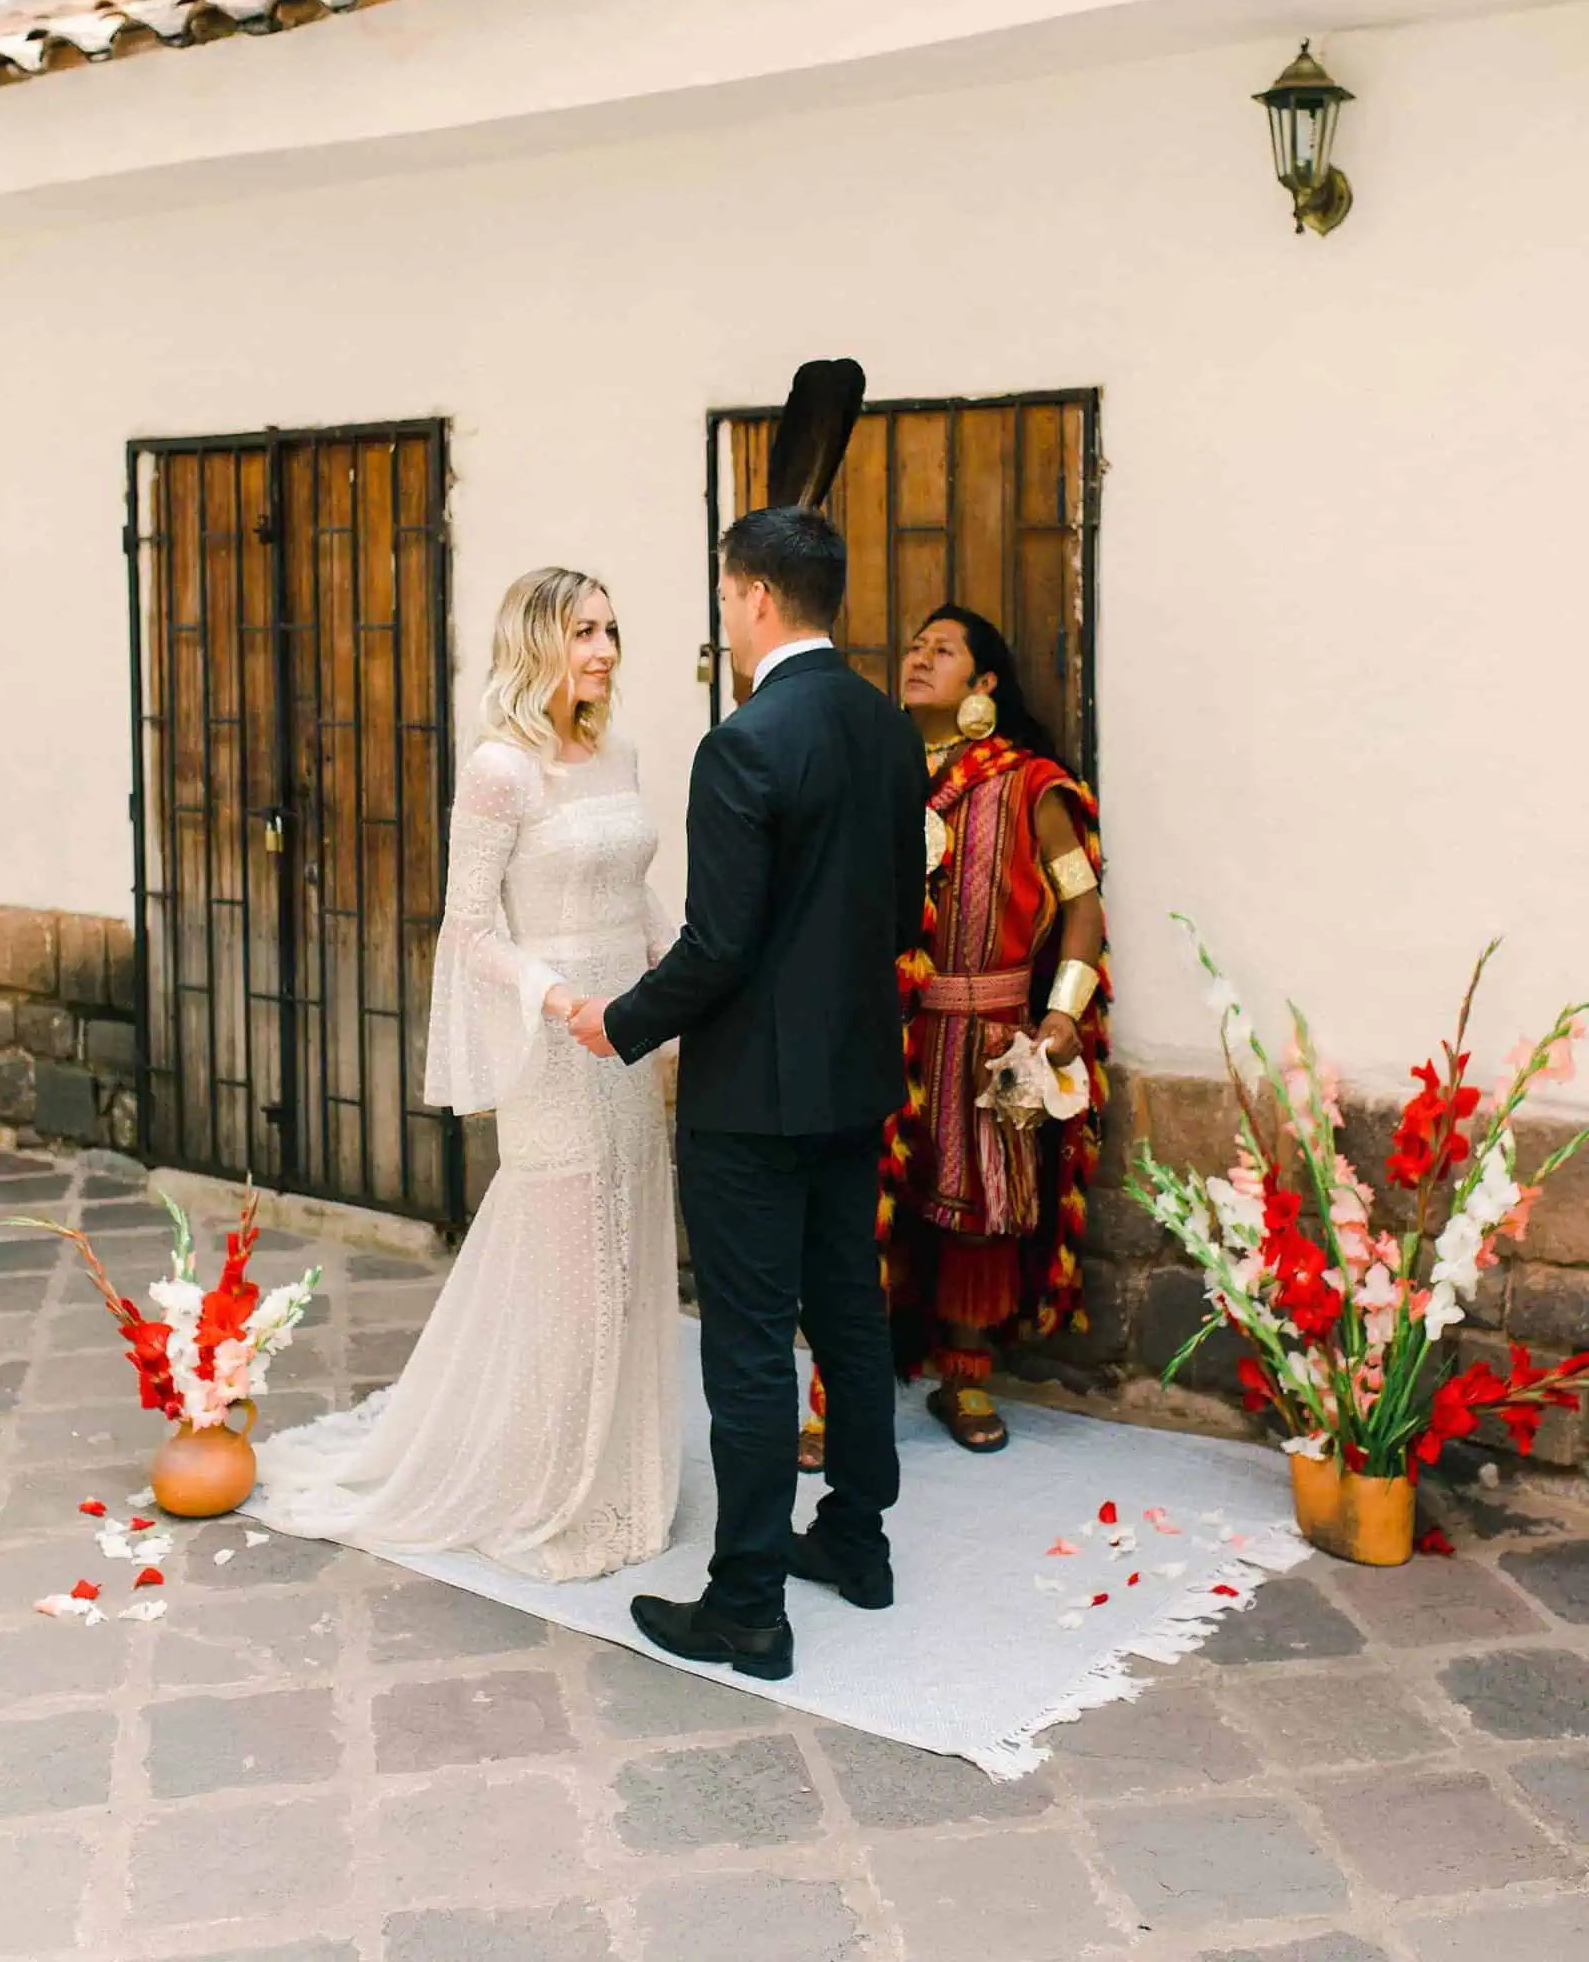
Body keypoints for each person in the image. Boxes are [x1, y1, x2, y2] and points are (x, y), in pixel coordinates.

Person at [246, 569, 681, 1582]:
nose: (606, 649)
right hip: (555, 1042)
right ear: (536, 643)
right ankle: (545, 1480)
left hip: (631, 1035)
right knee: (573, 1261)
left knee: (626, 1245)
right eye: (583, 631)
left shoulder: (617, 752)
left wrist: (687, 974)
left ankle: (617, 1467)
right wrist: (555, 997)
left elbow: (635, 886)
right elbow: (471, 925)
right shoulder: (500, 771)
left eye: (612, 628)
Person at [571, 507, 928, 1681]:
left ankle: (747, 1605)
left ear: (758, 599)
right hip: (854, 1077)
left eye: (727, 599)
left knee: (750, 1346)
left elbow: (719, 946)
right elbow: (895, 903)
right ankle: (857, 1544)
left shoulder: (744, 743)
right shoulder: (886, 728)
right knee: (851, 1315)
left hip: (751, 1101)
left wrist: (616, 1023)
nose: (725, 618)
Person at [799, 605, 1108, 1463]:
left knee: (976, 1216)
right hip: (883, 1032)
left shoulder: (1030, 784)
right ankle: (834, 1396)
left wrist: (1062, 1012)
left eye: (943, 651)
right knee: (859, 1216)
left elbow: (1080, 904)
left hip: (984, 1036)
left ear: (985, 686)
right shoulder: (873, 772)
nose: (918, 657)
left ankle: (966, 1375)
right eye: (913, 644)